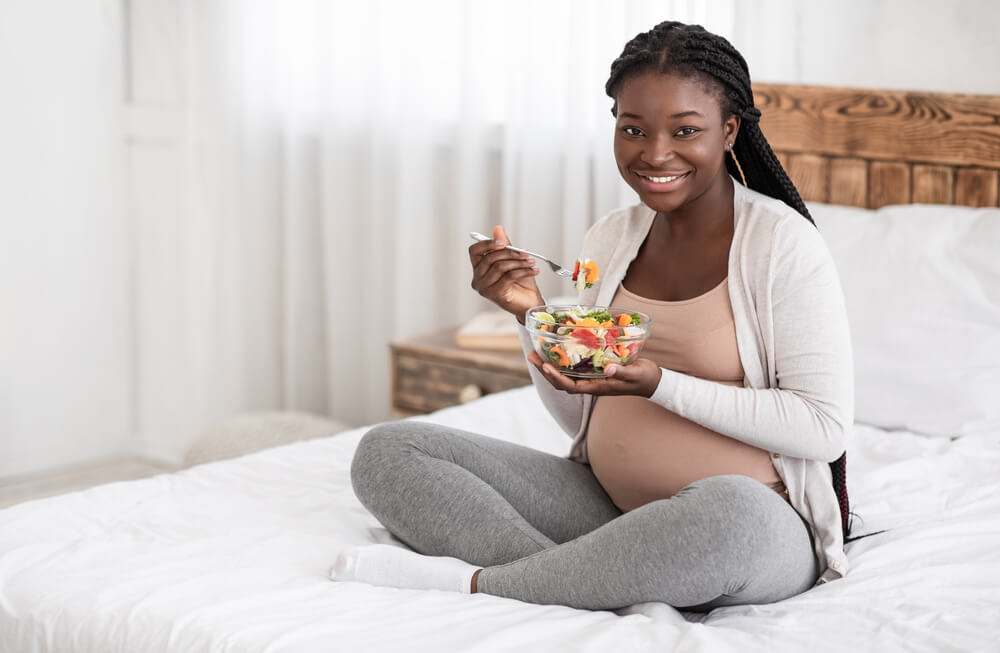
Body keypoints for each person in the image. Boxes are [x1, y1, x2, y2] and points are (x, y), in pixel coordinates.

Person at [332, 20, 853, 611]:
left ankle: (484, 585)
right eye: (633, 129)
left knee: (728, 517)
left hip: (750, 521)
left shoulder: (783, 245)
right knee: (390, 452)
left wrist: (658, 384)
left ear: (729, 130)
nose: (655, 154)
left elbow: (823, 425)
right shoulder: (612, 236)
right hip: (604, 505)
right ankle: (585, 576)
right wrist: (531, 314)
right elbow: (579, 410)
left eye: (686, 130)